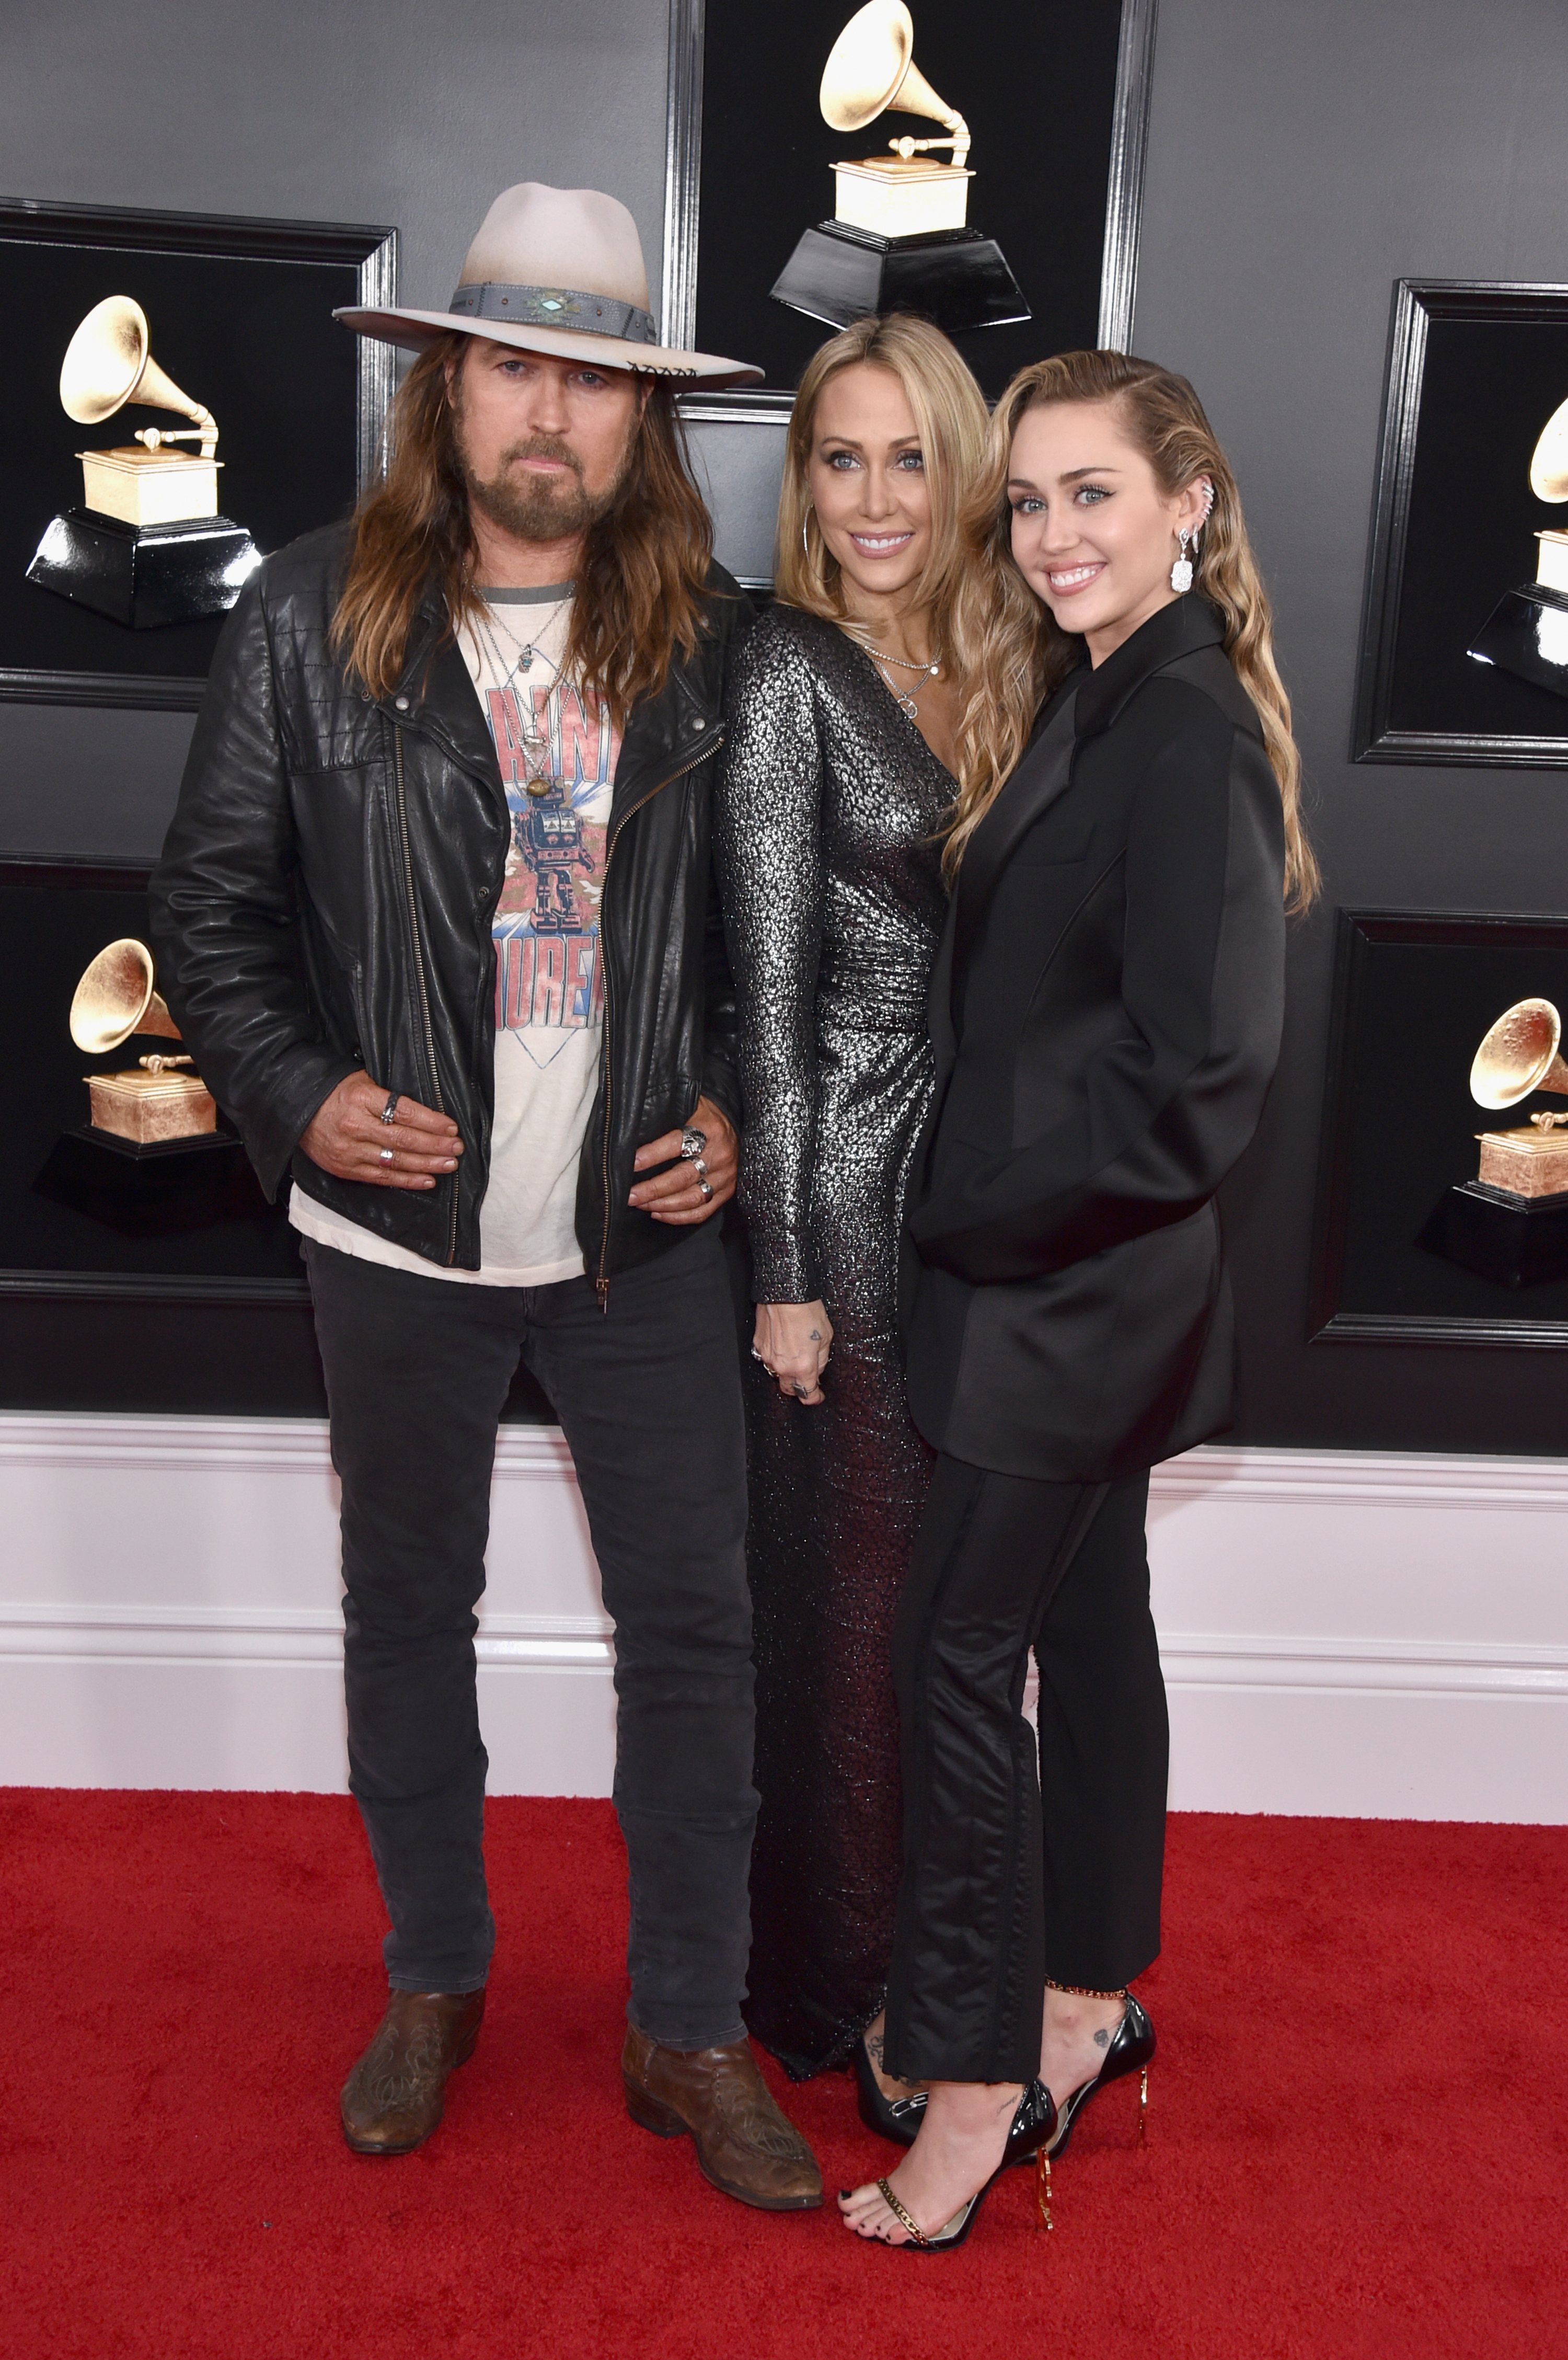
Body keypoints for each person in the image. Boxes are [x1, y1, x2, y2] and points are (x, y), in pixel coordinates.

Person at [150, 181, 824, 2213]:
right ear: (445, 391)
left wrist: (730, 1109)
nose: (551, 411)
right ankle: (435, 1977)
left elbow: (773, 940)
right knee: (405, 1612)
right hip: (393, 1248)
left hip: (642, 1247)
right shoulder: (303, 619)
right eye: (514, 366)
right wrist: (300, 1096)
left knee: (696, 1635)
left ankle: (686, 2023)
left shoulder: (723, 649)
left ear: (642, 418)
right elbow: (209, 909)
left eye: (593, 379)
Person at [840, 348, 1318, 2248]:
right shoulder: (1106, 689)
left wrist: (973, 1216)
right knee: (1093, 1622)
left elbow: (1203, 1079)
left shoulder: (1188, 730)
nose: (1051, 535)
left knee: (953, 1655)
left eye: (1092, 494)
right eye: (1028, 501)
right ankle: (1085, 1994)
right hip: (1072, 1282)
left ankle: (975, 2086)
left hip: (1067, 1293)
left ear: (1187, 501)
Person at [713, 316, 989, 2090]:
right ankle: (847, 1991)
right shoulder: (784, 667)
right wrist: (789, 1269)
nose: (877, 498)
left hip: (992, 1192)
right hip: (850, 1180)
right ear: (802, 480)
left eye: (910, 458)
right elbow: (767, 996)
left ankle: (952, 1958)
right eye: (841, 458)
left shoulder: (1011, 652)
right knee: (859, 1609)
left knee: (960, 1610)